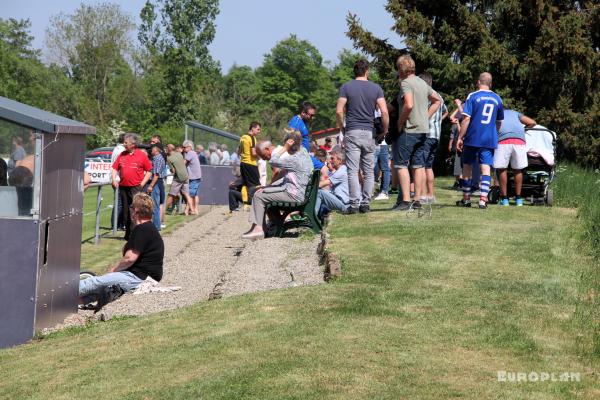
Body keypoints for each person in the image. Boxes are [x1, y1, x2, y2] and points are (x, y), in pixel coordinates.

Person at [79, 193, 164, 310]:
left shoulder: (142, 230)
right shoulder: (148, 228)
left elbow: (130, 258)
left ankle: (58, 295)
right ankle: (71, 302)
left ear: (136, 211)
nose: (129, 210)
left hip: (137, 278)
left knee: (94, 282)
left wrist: (113, 271)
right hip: (142, 276)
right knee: (100, 289)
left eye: (131, 207)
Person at [336, 59, 389, 214]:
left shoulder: (346, 87)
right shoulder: (376, 88)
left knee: (352, 170)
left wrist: (342, 128)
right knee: (368, 170)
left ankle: (353, 205)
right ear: (367, 71)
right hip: (369, 132)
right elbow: (384, 112)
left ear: (355, 71)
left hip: (352, 130)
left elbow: (339, 111)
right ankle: (365, 204)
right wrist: (384, 130)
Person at [242, 130, 312, 240]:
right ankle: (269, 225)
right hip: (299, 193)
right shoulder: (303, 153)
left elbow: (273, 161)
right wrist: (268, 188)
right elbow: (285, 176)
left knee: (258, 195)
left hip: (294, 195)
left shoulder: (293, 159)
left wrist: (284, 148)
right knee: (263, 192)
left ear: (290, 145)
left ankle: (259, 229)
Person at [392, 55, 441, 211]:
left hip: (409, 129)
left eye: (398, 68)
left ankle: (405, 201)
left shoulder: (406, 83)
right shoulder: (421, 82)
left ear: (402, 68)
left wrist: (400, 122)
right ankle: (417, 200)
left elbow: (409, 104)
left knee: (400, 165)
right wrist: (425, 117)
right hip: (423, 131)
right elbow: (437, 100)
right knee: (418, 165)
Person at [456, 72, 504, 209]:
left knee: (467, 166)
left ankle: (466, 199)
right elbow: (499, 122)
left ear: (478, 82)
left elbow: (466, 119)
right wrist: (494, 133)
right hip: (489, 138)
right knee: (486, 168)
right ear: (491, 83)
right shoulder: (497, 99)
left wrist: (460, 137)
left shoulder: (473, 96)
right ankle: (483, 200)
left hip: (473, 137)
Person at [111, 133, 152, 240]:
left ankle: (136, 234)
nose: (124, 144)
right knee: (126, 211)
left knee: (136, 210)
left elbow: (149, 171)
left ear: (133, 144)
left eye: (126, 142)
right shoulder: (122, 154)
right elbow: (114, 168)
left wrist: (142, 183)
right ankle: (128, 234)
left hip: (136, 187)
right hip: (124, 187)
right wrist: (113, 178)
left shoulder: (141, 155)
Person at [494, 109, 536, 206]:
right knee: (518, 170)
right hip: (519, 141)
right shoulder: (516, 114)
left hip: (503, 141)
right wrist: (523, 130)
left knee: (502, 170)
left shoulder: (497, 114)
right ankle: (518, 199)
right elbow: (532, 122)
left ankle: (504, 199)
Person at [419, 72, 448, 203]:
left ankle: (424, 195)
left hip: (426, 134)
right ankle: (431, 195)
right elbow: (446, 111)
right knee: (429, 166)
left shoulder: (426, 95)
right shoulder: (439, 96)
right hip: (436, 135)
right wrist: (439, 121)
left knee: (421, 165)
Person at [315, 149, 349, 217]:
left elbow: (321, 184)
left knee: (319, 193)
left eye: (332, 159)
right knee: (322, 194)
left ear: (340, 161)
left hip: (345, 205)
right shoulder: (341, 170)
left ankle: (311, 218)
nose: (330, 161)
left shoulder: (341, 171)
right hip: (342, 201)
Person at [165, 143, 193, 215]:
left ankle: (163, 210)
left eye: (166, 148)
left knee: (171, 194)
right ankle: (192, 210)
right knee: (186, 194)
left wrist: (171, 171)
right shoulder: (179, 154)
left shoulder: (169, 158)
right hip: (186, 176)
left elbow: (173, 171)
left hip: (179, 178)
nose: (165, 150)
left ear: (169, 149)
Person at [145, 144, 166, 230]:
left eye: (152, 149)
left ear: (156, 150)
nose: (151, 151)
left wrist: (150, 186)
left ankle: (156, 226)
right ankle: (156, 225)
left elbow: (156, 175)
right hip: (158, 182)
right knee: (155, 205)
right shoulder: (159, 158)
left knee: (154, 205)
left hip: (156, 182)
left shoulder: (157, 159)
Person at [238, 122, 261, 191]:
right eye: (258, 129)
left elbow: (239, 152)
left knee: (245, 185)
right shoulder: (252, 138)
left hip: (242, 164)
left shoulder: (243, 137)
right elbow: (253, 154)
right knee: (256, 186)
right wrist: (260, 154)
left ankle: (245, 201)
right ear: (253, 128)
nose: (259, 132)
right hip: (250, 164)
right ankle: (252, 201)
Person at [183, 140, 202, 215]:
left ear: (189, 147)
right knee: (195, 194)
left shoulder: (190, 153)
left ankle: (188, 210)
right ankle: (195, 210)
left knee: (190, 194)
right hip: (197, 176)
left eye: (184, 147)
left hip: (193, 177)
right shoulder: (194, 153)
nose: (183, 149)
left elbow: (183, 163)